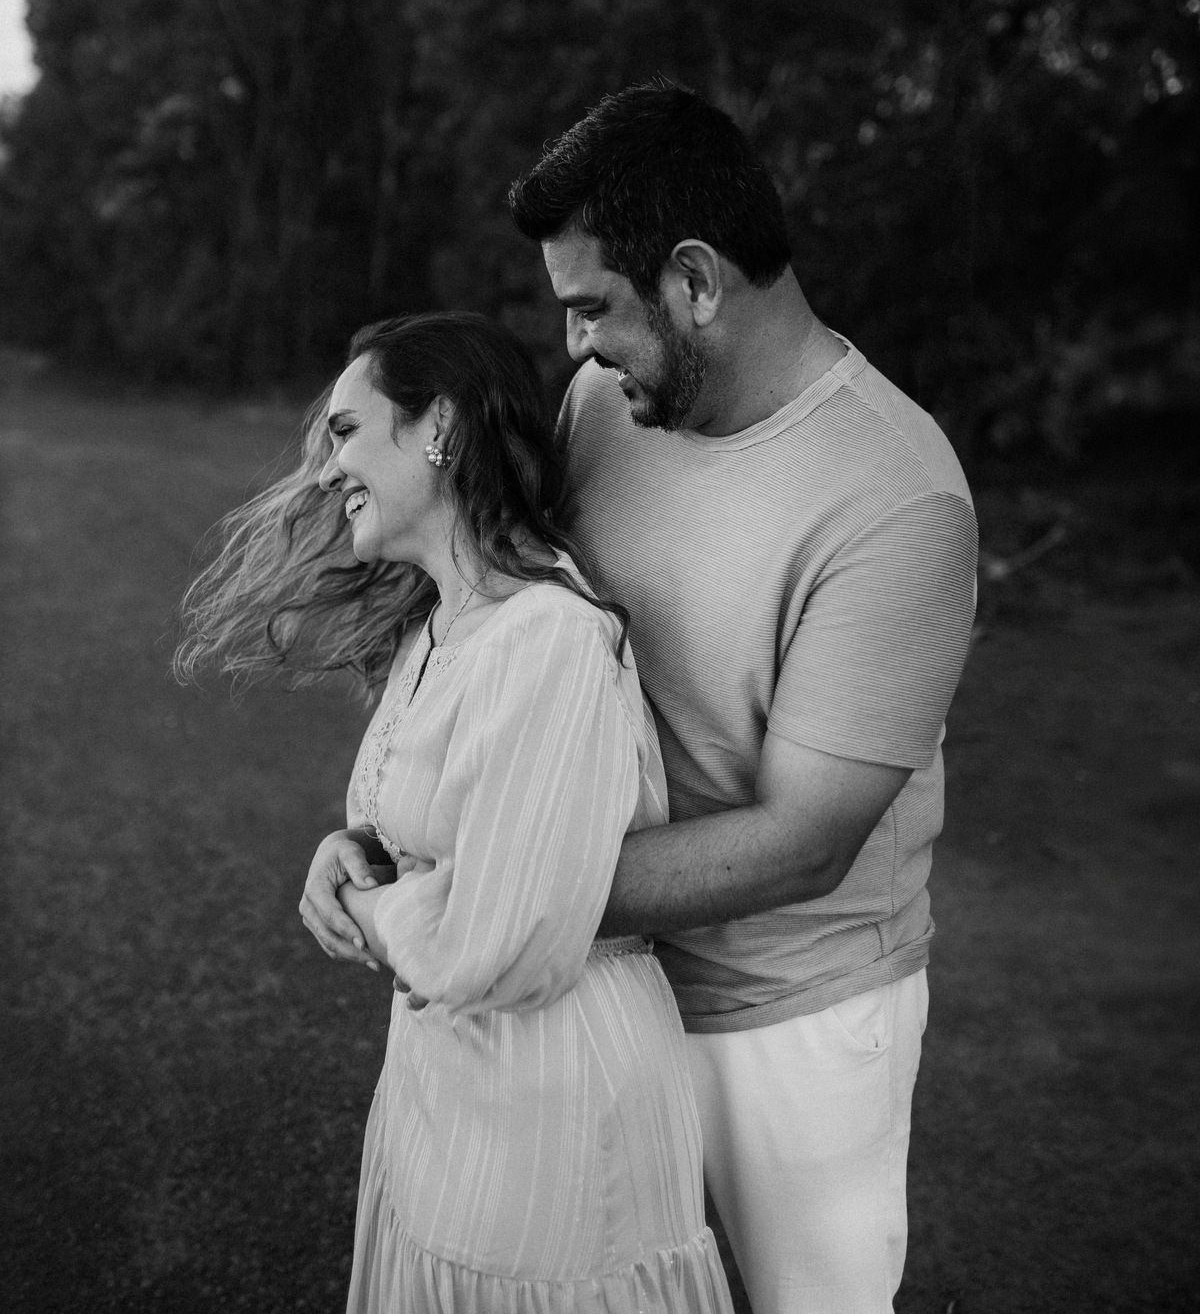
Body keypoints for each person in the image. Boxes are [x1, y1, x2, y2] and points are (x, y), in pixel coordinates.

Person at [503, 80, 980, 1314]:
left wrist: (507, 887)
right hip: (607, 985)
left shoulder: (897, 495)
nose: (576, 346)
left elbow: (805, 839)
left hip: (794, 1021)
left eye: (594, 308)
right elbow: (521, 642)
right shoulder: (603, 407)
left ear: (696, 281)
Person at [178, 313, 732, 1314]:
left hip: (553, 1104)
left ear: (438, 425)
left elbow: (498, 942)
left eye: (346, 432)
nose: (325, 472)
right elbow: (437, 832)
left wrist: (373, 908)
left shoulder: (549, 638)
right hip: (449, 1082)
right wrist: (351, 850)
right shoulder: (441, 627)